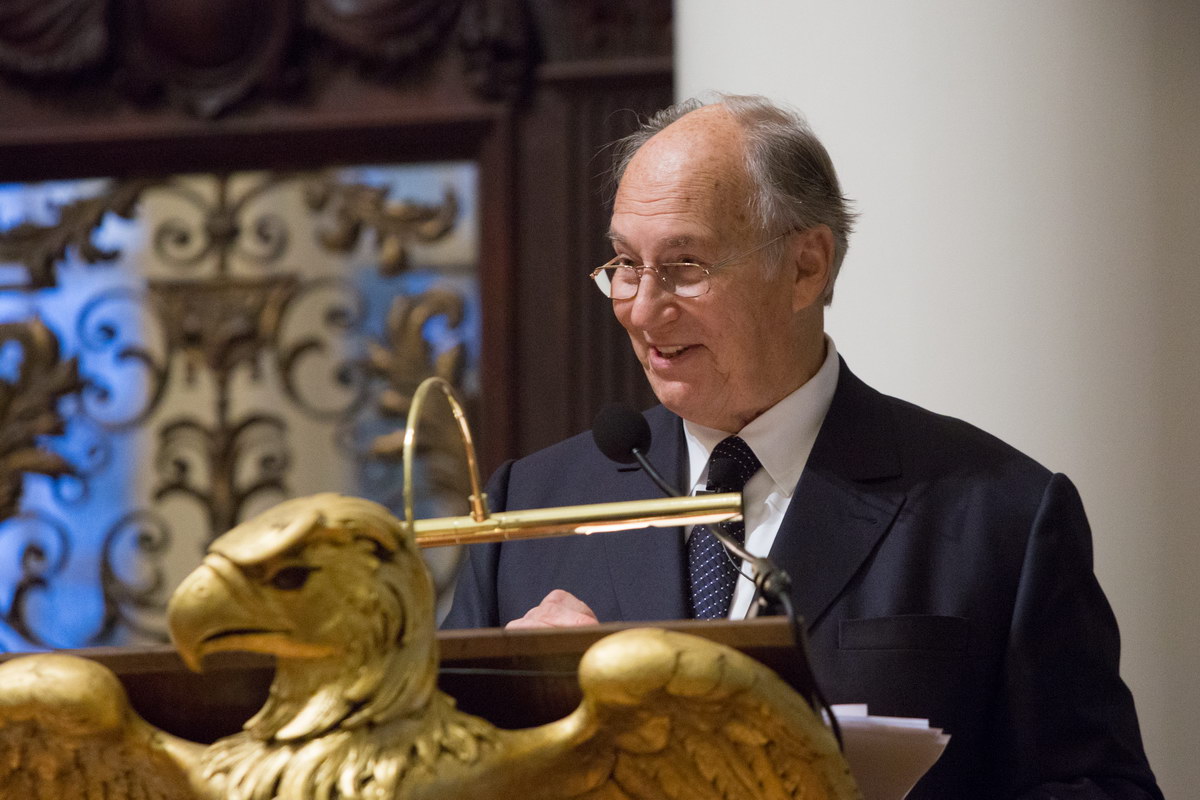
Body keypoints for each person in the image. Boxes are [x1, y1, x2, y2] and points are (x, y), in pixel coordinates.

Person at [442, 94, 1161, 798]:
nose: (642, 307)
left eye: (685, 266)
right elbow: (426, 772)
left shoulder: (1000, 514)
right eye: (626, 264)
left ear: (806, 267)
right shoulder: (528, 510)